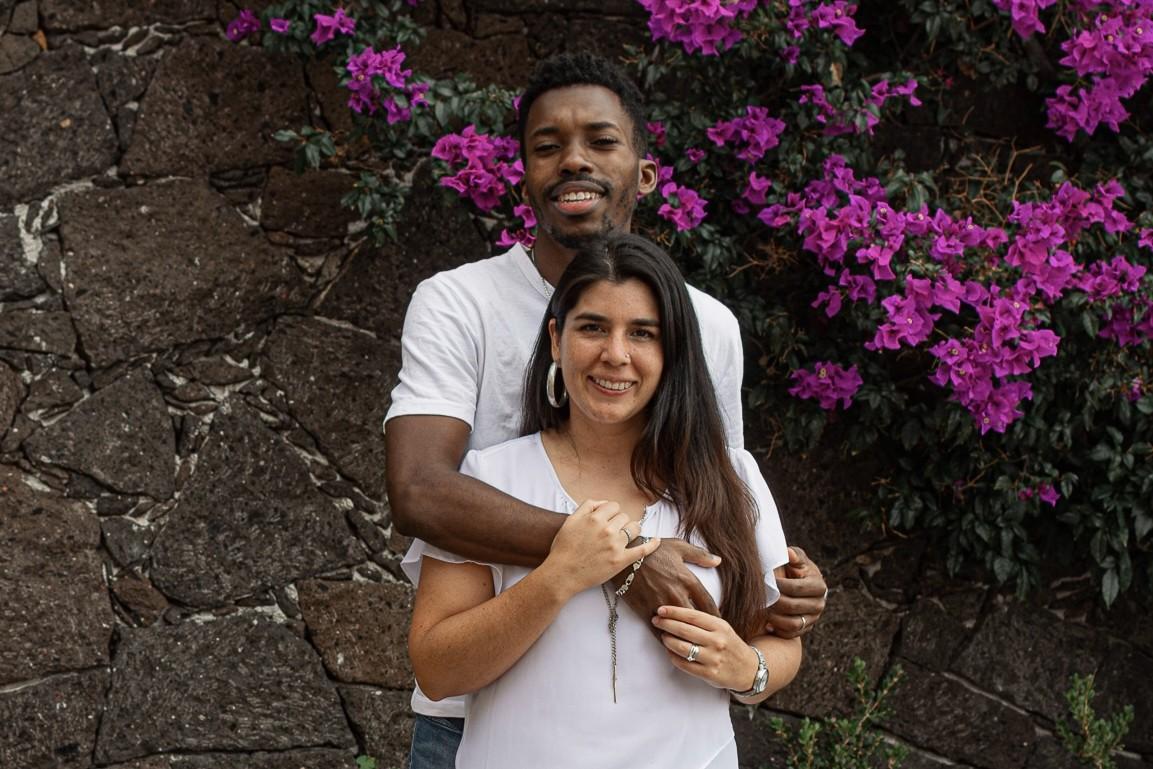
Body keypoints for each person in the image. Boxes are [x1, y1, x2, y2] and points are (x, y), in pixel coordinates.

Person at [384, 52, 827, 768]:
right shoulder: (458, 306)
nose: (616, 356)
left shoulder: (709, 328)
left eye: (600, 140)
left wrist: (781, 613)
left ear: (644, 172)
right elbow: (418, 490)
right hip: (477, 718)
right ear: (557, 340)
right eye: (547, 146)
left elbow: (728, 544)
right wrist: (618, 559)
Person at [404, 233, 803, 768]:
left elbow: (782, 639)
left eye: (642, 333)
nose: (615, 355)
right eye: (592, 327)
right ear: (556, 338)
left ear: (672, 350)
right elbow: (436, 670)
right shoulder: (492, 479)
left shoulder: (731, 478)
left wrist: (748, 669)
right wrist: (559, 576)